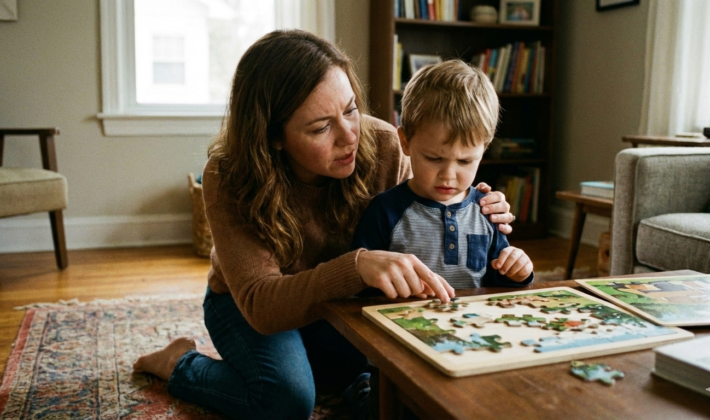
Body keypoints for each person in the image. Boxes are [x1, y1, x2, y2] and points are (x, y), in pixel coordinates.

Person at [133, 30, 515, 420]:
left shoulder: (384, 144)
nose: (350, 136)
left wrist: (473, 204)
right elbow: (262, 305)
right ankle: (180, 362)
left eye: (350, 110)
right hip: (251, 305)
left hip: (341, 300)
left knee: (395, 371)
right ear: (273, 137)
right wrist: (357, 266)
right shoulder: (229, 174)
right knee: (286, 400)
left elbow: (426, 209)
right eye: (320, 128)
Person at [352, 60, 534, 288]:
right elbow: (360, 283)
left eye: (465, 161)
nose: (448, 175)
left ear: (484, 149)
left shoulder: (487, 212)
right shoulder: (385, 211)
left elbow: (497, 282)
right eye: (434, 158)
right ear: (405, 142)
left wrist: (518, 271)